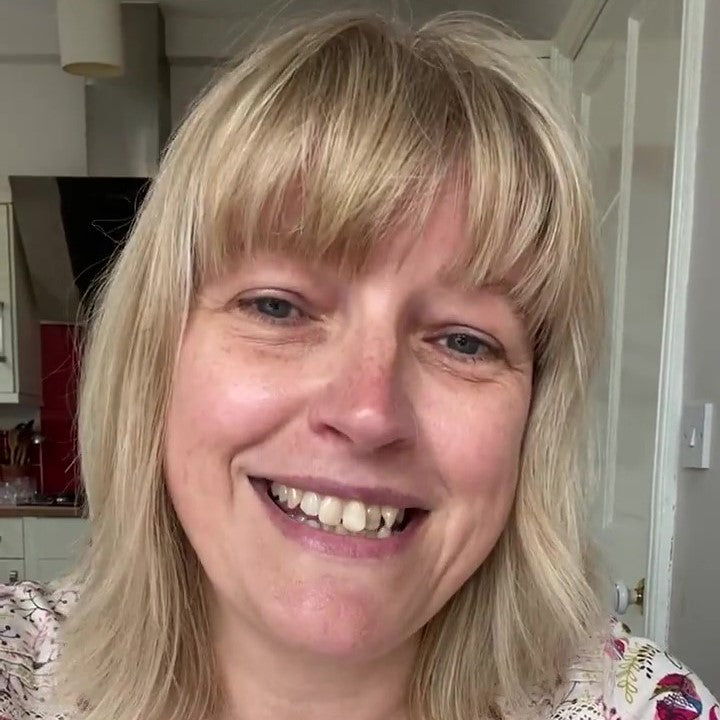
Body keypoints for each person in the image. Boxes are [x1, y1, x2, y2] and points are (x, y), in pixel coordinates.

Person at [0, 10, 716, 720]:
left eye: (464, 341)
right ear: (156, 359)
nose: (368, 411)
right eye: (278, 307)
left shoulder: (638, 705)